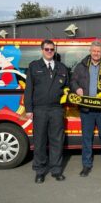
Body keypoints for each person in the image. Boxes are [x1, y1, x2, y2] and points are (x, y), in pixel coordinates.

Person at [70, 40, 101, 177]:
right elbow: (73, 81)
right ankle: (86, 165)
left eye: (98, 51)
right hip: (87, 110)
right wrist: (77, 88)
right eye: (94, 51)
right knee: (87, 138)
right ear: (90, 52)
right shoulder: (81, 66)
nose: (96, 53)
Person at [24, 39, 69, 184]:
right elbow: (28, 89)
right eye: (47, 49)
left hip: (56, 109)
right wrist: (29, 109)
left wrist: (66, 94)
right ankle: (40, 171)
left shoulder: (62, 67)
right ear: (42, 50)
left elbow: (67, 87)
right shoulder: (34, 66)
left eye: (51, 49)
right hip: (40, 109)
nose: (49, 52)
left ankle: (56, 170)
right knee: (40, 141)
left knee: (57, 140)